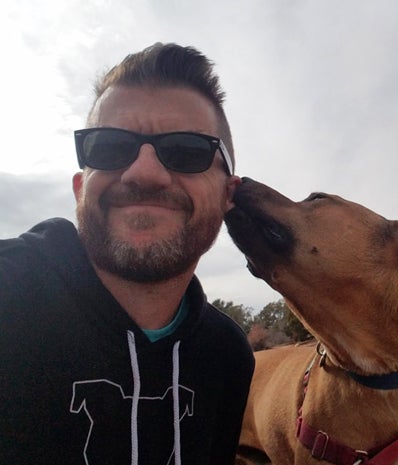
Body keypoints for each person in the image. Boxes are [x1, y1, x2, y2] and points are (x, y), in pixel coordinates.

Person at [0, 43, 255, 465]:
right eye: (109, 147)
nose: (144, 173)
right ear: (81, 188)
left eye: (188, 150)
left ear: (229, 195)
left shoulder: (226, 358)